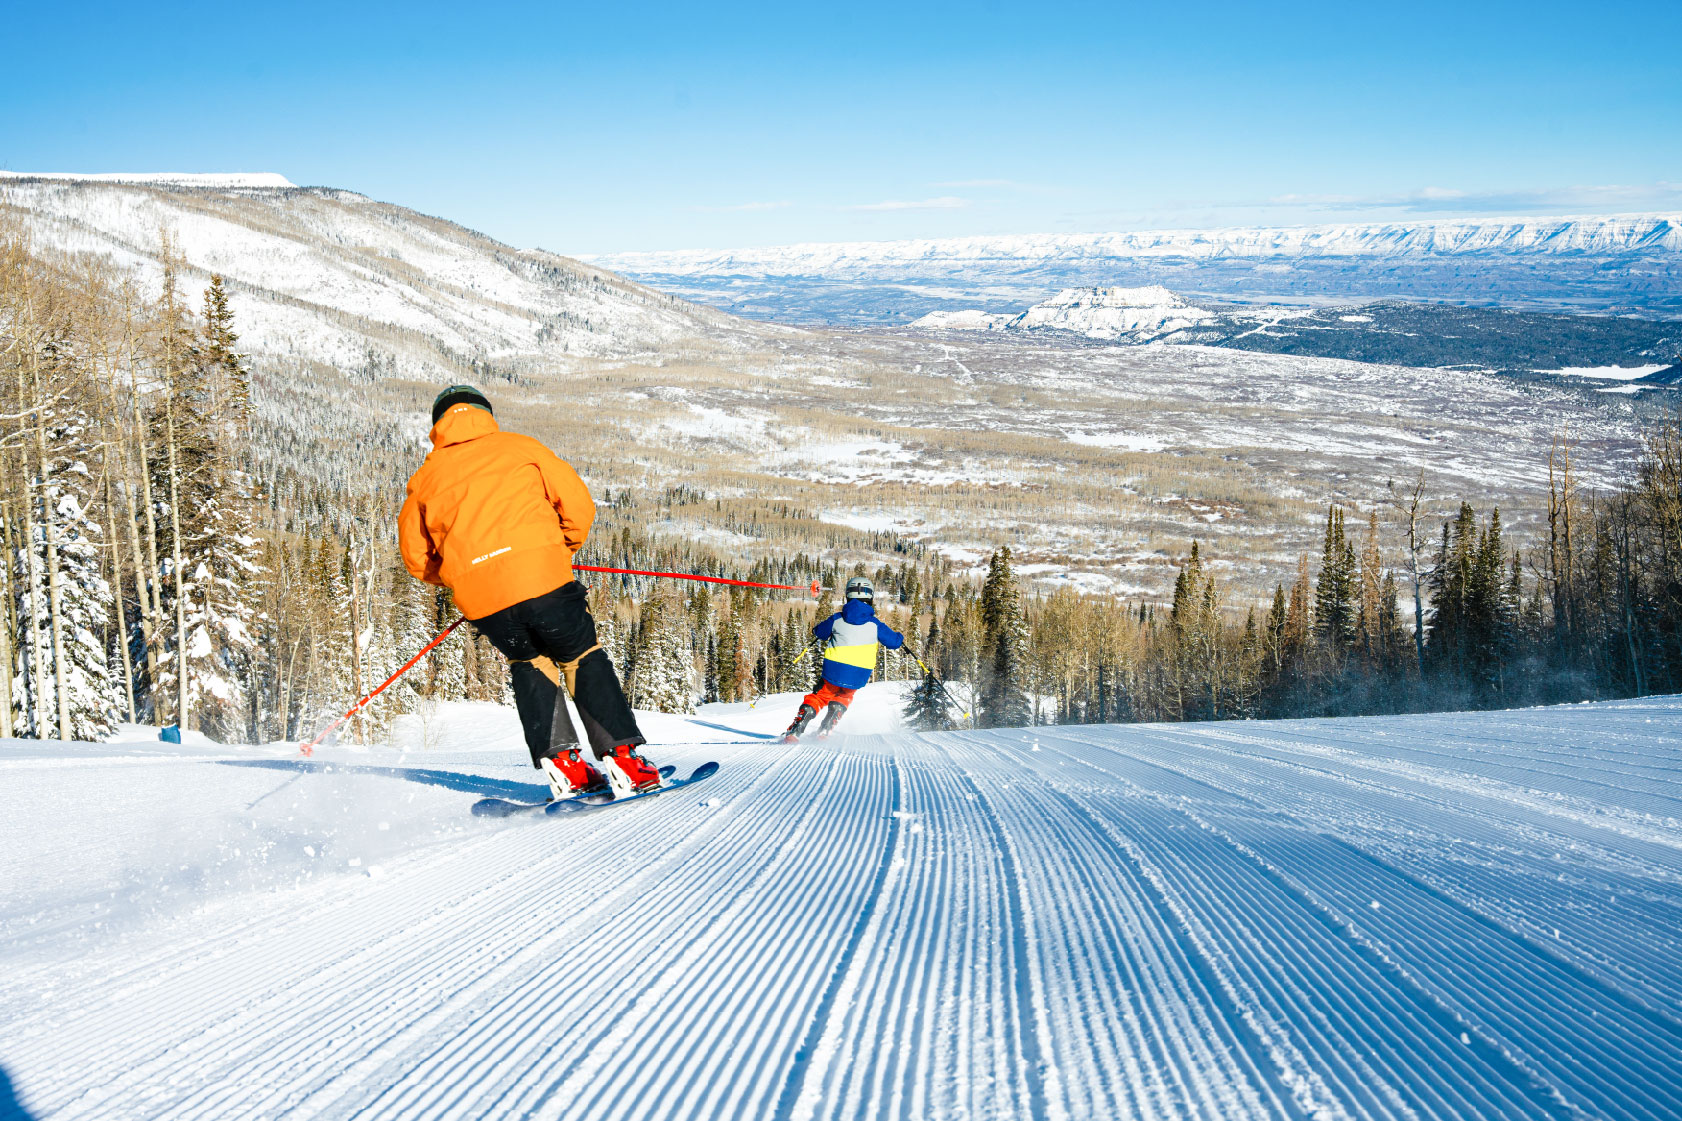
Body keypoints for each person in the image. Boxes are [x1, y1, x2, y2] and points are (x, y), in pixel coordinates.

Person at [399, 385, 661, 799]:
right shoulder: (521, 448)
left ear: (437, 425)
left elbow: (417, 558)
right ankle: (625, 760)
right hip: (545, 580)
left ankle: (565, 768)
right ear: (486, 414)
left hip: (485, 602)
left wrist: (463, 575)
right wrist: (557, 551)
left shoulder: (425, 479)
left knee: (529, 662)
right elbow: (578, 507)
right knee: (580, 656)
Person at [783, 576, 904, 742]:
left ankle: (796, 729)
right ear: (870, 597)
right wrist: (900, 637)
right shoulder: (875, 625)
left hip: (834, 669)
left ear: (848, 595)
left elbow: (819, 632)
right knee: (844, 696)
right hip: (859, 673)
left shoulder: (837, 619)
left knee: (821, 695)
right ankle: (825, 729)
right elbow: (894, 643)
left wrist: (819, 629)